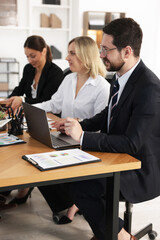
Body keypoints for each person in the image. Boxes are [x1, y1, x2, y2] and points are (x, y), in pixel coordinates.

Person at [56, 18, 160, 240]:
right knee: (73, 174)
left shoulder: (149, 88)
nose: (101, 55)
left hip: (140, 168)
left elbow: (132, 143)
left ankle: (118, 235)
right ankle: (113, 231)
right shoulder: (119, 76)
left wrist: (83, 137)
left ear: (127, 51)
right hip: (118, 157)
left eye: (106, 49)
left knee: (83, 184)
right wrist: (77, 125)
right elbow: (108, 116)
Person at [34, 36, 110, 224]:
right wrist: (29, 106)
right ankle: (69, 202)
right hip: (65, 139)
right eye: (68, 52)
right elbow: (53, 103)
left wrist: (75, 123)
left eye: (72, 53)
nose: (67, 58)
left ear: (86, 55)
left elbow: (101, 124)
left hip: (86, 144)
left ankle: (73, 203)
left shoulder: (102, 87)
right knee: (34, 159)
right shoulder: (69, 79)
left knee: (44, 162)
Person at [1, 35, 64, 204]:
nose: (30, 60)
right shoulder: (29, 69)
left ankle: (23, 186)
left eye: (33, 56)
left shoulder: (55, 73)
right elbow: (19, 88)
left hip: (47, 119)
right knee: (11, 147)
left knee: (22, 147)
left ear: (44, 51)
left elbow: (47, 101)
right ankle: (7, 187)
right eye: (27, 56)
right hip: (28, 117)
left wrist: (24, 100)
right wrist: (7, 100)